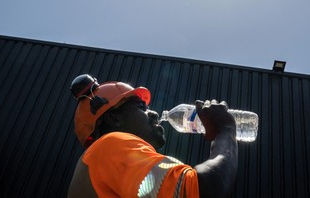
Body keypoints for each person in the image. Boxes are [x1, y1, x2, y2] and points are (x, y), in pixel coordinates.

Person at [68, 74, 238, 198]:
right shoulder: (109, 144)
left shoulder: (100, 165)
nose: (154, 114)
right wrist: (226, 130)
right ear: (114, 118)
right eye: (142, 108)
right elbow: (204, 189)